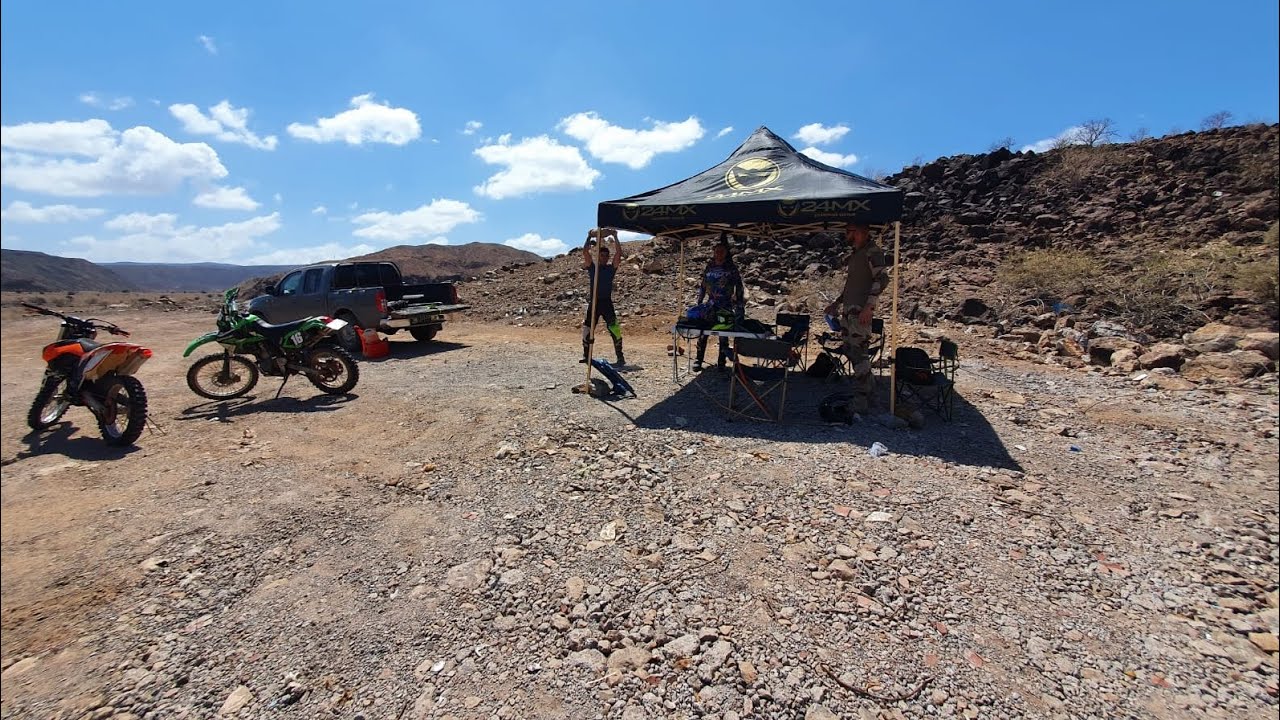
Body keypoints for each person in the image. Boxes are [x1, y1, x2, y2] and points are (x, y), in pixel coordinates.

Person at [823, 223, 889, 411]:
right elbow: (851, 284)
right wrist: (836, 303)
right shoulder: (857, 253)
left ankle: (861, 401)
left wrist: (869, 307)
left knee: (859, 353)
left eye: (849, 231)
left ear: (861, 232)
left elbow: (882, 279)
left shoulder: (872, 251)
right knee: (851, 351)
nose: (847, 235)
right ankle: (870, 394)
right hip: (849, 312)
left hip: (860, 312)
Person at [694, 235, 745, 371]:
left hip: (725, 304)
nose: (719, 253)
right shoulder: (709, 266)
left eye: (722, 251)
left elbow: (739, 285)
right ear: (714, 252)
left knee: (723, 333)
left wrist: (739, 302)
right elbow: (703, 284)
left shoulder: (731, 268)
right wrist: (699, 300)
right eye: (717, 251)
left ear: (726, 253)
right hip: (710, 304)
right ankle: (698, 360)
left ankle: (721, 362)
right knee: (703, 331)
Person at [581, 228, 625, 366]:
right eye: (602, 255)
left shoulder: (611, 269)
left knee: (614, 329)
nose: (605, 258)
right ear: (598, 256)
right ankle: (586, 355)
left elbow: (619, 253)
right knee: (588, 329)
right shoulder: (592, 268)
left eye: (606, 256)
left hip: (606, 302)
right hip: (594, 302)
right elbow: (585, 252)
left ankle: (620, 357)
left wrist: (615, 237)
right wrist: (589, 237)